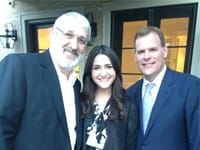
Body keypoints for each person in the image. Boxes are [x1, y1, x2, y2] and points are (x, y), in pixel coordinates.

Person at [0, 11, 91, 150]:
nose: (74, 45)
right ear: (53, 34)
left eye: (81, 40)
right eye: (69, 35)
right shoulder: (20, 66)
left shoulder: (76, 85)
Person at [126, 26, 200, 150]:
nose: (146, 56)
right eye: (141, 51)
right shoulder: (130, 93)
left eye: (153, 49)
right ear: (135, 56)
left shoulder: (189, 87)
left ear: (165, 51)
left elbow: (197, 140)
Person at [81, 45, 138, 150]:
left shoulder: (128, 105)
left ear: (115, 70)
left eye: (108, 66)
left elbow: (130, 146)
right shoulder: (81, 102)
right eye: (97, 68)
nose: (103, 73)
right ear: (90, 71)